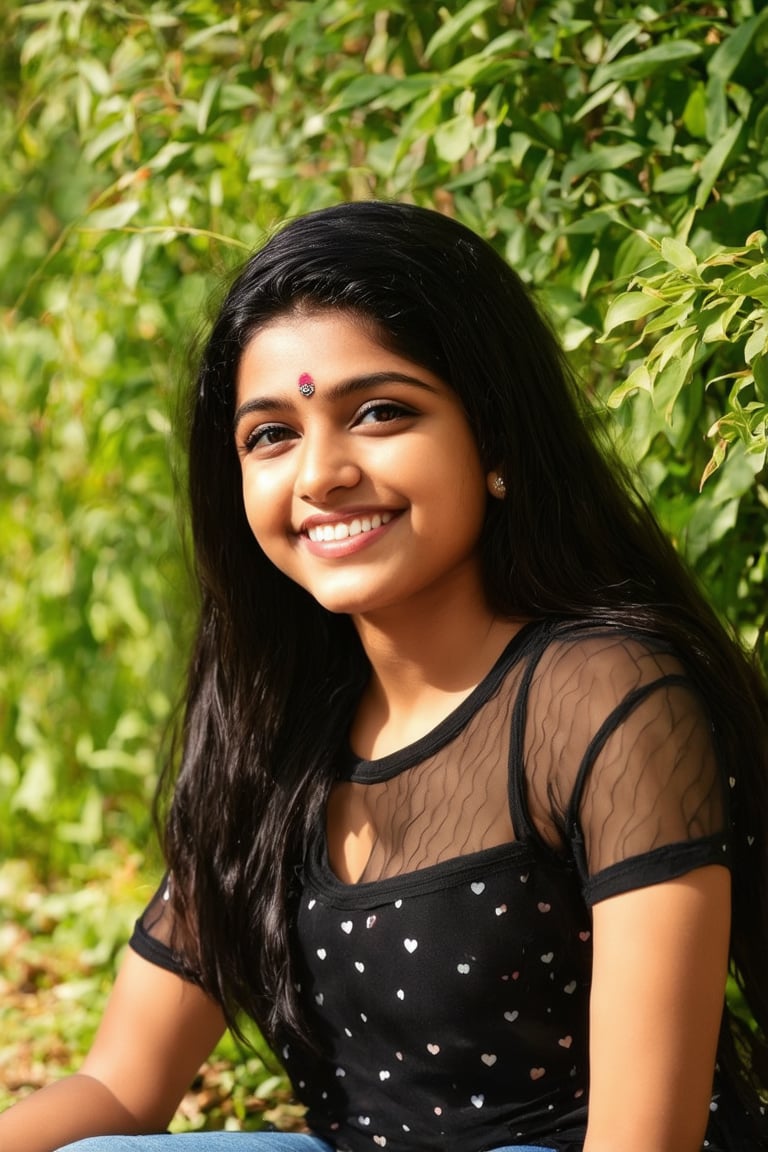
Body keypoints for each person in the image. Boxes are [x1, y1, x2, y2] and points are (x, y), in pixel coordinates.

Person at [1, 201, 767, 1152]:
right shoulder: (278, 732)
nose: (320, 474)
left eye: (379, 412)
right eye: (270, 435)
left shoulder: (604, 699)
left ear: (493, 440)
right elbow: (119, 1092)